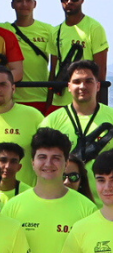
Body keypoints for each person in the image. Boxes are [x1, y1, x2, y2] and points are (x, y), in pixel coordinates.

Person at [40, 60, 113, 206]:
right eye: (77, 81)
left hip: (105, 207)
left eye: (88, 81)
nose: (82, 86)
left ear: (98, 85)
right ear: (69, 87)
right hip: (61, 205)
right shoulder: (51, 122)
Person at [48, 0, 108, 107]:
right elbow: (53, 71)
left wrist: (98, 106)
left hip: (86, 103)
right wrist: (48, 104)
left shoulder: (94, 28)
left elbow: (101, 71)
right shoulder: (55, 31)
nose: (69, 2)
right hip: (59, 102)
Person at [0, 0, 54, 114]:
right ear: (12, 4)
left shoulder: (49, 30)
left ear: (35, 3)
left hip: (41, 97)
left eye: (28, 0)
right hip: (12, 99)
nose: (24, 4)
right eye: (19, 0)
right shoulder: (5, 30)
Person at [0, 142, 32, 206]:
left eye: (13, 162)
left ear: (19, 167)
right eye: (3, 160)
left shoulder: (30, 194)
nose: (7, 166)